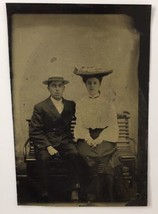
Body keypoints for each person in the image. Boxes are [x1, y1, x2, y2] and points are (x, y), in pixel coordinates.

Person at [73, 67, 125, 202]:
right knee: (84, 154)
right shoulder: (81, 103)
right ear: (85, 84)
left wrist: (101, 138)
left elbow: (112, 124)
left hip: (105, 136)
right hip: (87, 135)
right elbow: (80, 124)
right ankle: (88, 195)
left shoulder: (107, 102)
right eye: (89, 83)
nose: (92, 86)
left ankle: (103, 194)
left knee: (101, 155)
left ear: (99, 84)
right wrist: (88, 137)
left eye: (95, 83)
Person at [29, 76, 80, 202]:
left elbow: (84, 116)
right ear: (48, 88)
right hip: (46, 142)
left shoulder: (70, 105)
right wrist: (48, 146)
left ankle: (74, 189)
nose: (57, 89)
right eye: (53, 86)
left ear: (64, 88)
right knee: (44, 158)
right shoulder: (40, 107)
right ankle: (44, 191)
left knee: (74, 154)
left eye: (59, 86)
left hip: (65, 140)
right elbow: (35, 131)